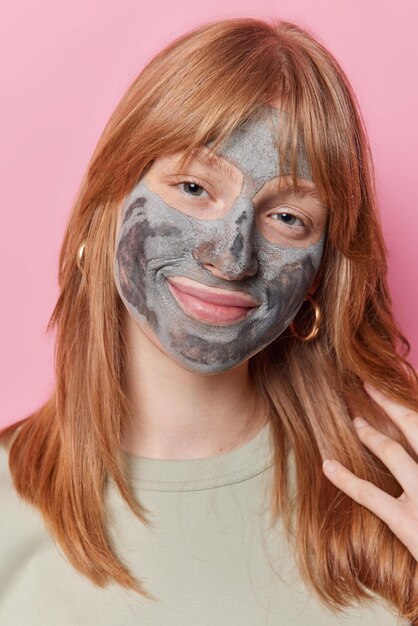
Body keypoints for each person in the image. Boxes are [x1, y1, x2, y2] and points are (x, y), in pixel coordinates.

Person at [0, 15, 417, 626]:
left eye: (289, 219)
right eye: (194, 186)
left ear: (319, 275)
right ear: (105, 207)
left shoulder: (398, 481)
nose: (233, 255)